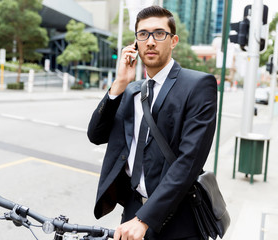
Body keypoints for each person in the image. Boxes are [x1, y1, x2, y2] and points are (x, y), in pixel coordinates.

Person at [87, 5, 217, 240]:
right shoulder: (131, 91)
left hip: (177, 217)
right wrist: (119, 84)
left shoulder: (198, 85)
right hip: (133, 212)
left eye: (159, 33)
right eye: (143, 34)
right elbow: (95, 134)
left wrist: (146, 218)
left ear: (173, 40)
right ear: (135, 42)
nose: (150, 41)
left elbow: (189, 161)